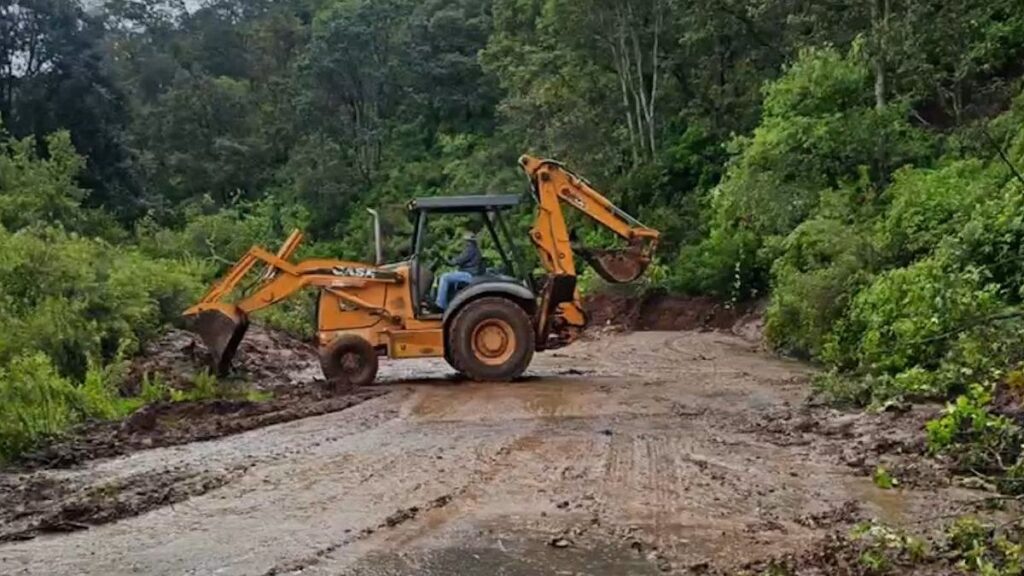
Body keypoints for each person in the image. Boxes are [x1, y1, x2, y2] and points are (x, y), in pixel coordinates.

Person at [435, 231, 483, 311]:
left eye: (466, 240)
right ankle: (449, 303)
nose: (465, 242)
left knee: (445, 277)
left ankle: (441, 304)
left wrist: (447, 261)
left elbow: (458, 260)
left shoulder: (470, 249)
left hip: (470, 275)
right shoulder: (474, 249)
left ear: (468, 241)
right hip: (470, 273)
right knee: (451, 276)